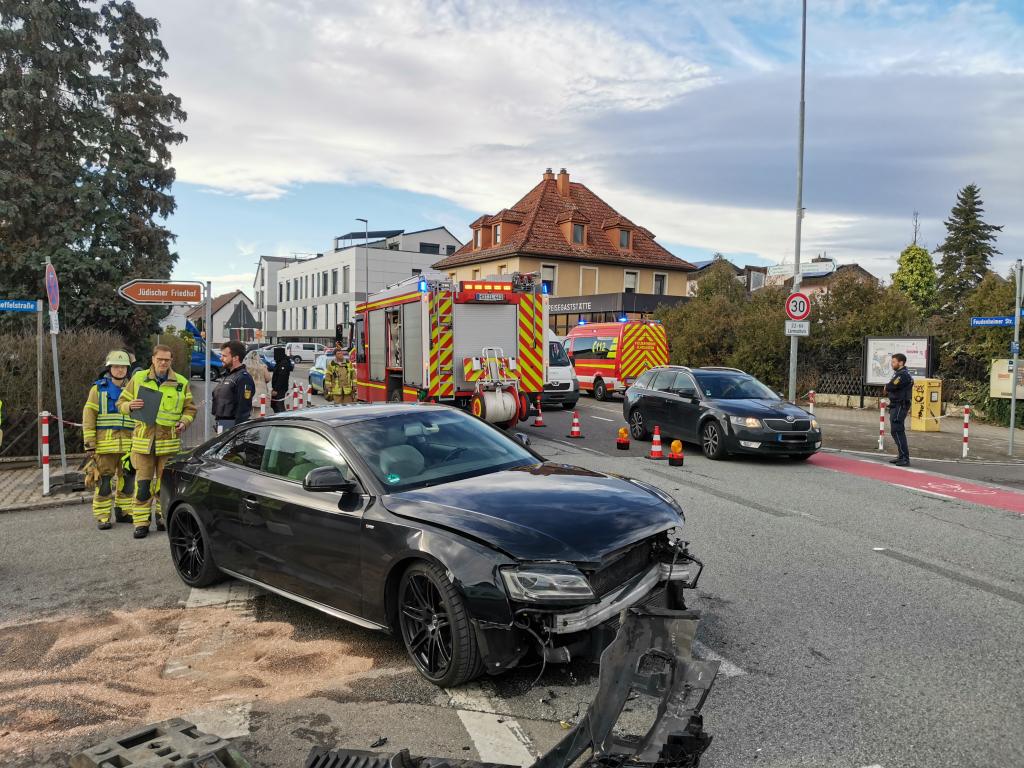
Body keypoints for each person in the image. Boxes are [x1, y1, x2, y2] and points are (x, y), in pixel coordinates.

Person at [117, 344, 196, 539]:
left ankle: (163, 519)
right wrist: (129, 405)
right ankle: (141, 523)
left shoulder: (181, 382)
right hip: (143, 444)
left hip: (168, 444)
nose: (163, 363)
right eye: (159, 359)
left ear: (171, 361)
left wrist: (184, 422)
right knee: (143, 486)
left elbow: (190, 409)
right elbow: (120, 403)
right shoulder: (138, 379)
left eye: (167, 360)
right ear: (152, 359)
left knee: (165, 486)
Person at [82, 351, 137, 529]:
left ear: (127, 369)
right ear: (109, 368)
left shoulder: (134, 389)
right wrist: (89, 444)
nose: (120, 370)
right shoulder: (98, 389)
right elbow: (89, 417)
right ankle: (103, 516)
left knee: (128, 482)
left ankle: (123, 512)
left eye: (123, 367)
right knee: (104, 483)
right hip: (105, 447)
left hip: (129, 446)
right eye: (116, 366)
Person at [212, 340, 255, 431]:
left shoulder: (243, 378)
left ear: (235, 358)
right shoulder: (227, 375)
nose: (221, 358)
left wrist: (236, 432)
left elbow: (243, 409)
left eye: (224, 356)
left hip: (232, 427)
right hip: (222, 424)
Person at [883, 353, 914, 466]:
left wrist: (887, 387)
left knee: (898, 430)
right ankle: (901, 456)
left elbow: (890, 386)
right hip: (896, 405)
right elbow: (891, 386)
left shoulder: (902, 375)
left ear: (901, 362)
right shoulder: (899, 374)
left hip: (900, 405)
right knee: (894, 431)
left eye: (894, 362)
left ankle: (905, 458)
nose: (892, 364)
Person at [270, 346, 293, 413]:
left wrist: (276, 389)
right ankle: (278, 416)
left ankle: (282, 418)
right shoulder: (279, 362)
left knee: (279, 404)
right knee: (274, 404)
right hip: (277, 388)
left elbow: (281, 378)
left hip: (280, 389)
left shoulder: (283, 364)